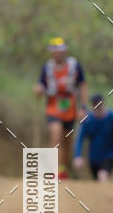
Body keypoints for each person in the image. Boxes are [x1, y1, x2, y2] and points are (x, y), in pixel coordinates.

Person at [33, 37, 88, 180]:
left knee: (66, 141)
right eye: (54, 51)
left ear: (64, 51)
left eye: (59, 51)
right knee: (55, 135)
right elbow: (41, 85)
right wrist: (38, 89)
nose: (57, 54)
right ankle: (53, 170)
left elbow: (82, 85)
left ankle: (63, 169)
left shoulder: (74, 66)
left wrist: (83, 107)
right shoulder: (47, 68)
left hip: (70, 107)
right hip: (53, 106)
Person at [73, 94, 113, 181]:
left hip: (110, 155)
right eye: (95, 104)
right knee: (97, 180)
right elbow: (80, 139)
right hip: (93, 158)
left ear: (103, 103)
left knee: (102, 176)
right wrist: (77, 156)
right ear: (92, 105)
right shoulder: (88, 120)